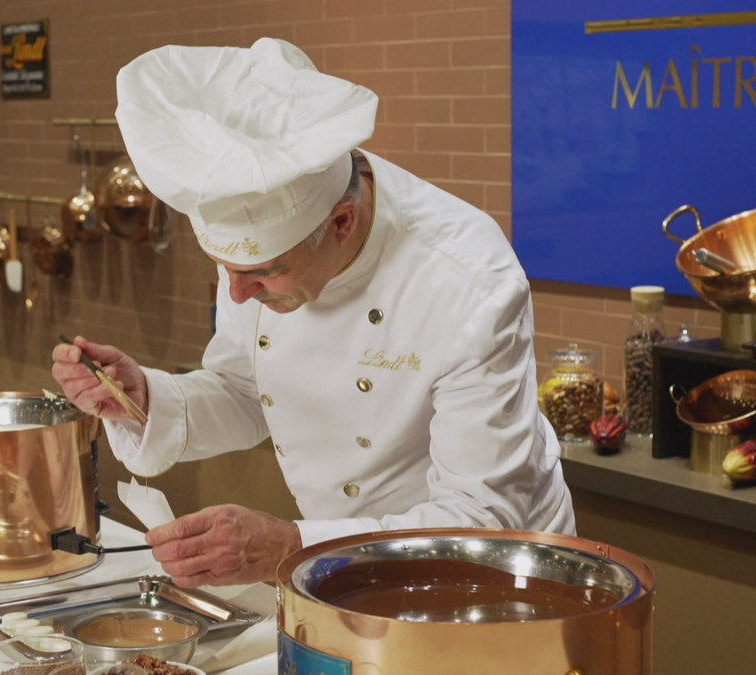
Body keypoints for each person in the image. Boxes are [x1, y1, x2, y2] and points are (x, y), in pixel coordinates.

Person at [51, 38, 575, 588]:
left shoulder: (466, 281)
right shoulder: (258, 269)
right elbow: (243, 390)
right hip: (349, 566)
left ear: (343, 223)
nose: (236, 295)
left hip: (489, 584)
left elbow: (482, 520)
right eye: (221, 266)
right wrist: (146, 398)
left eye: (264, 272)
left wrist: (291, 546)